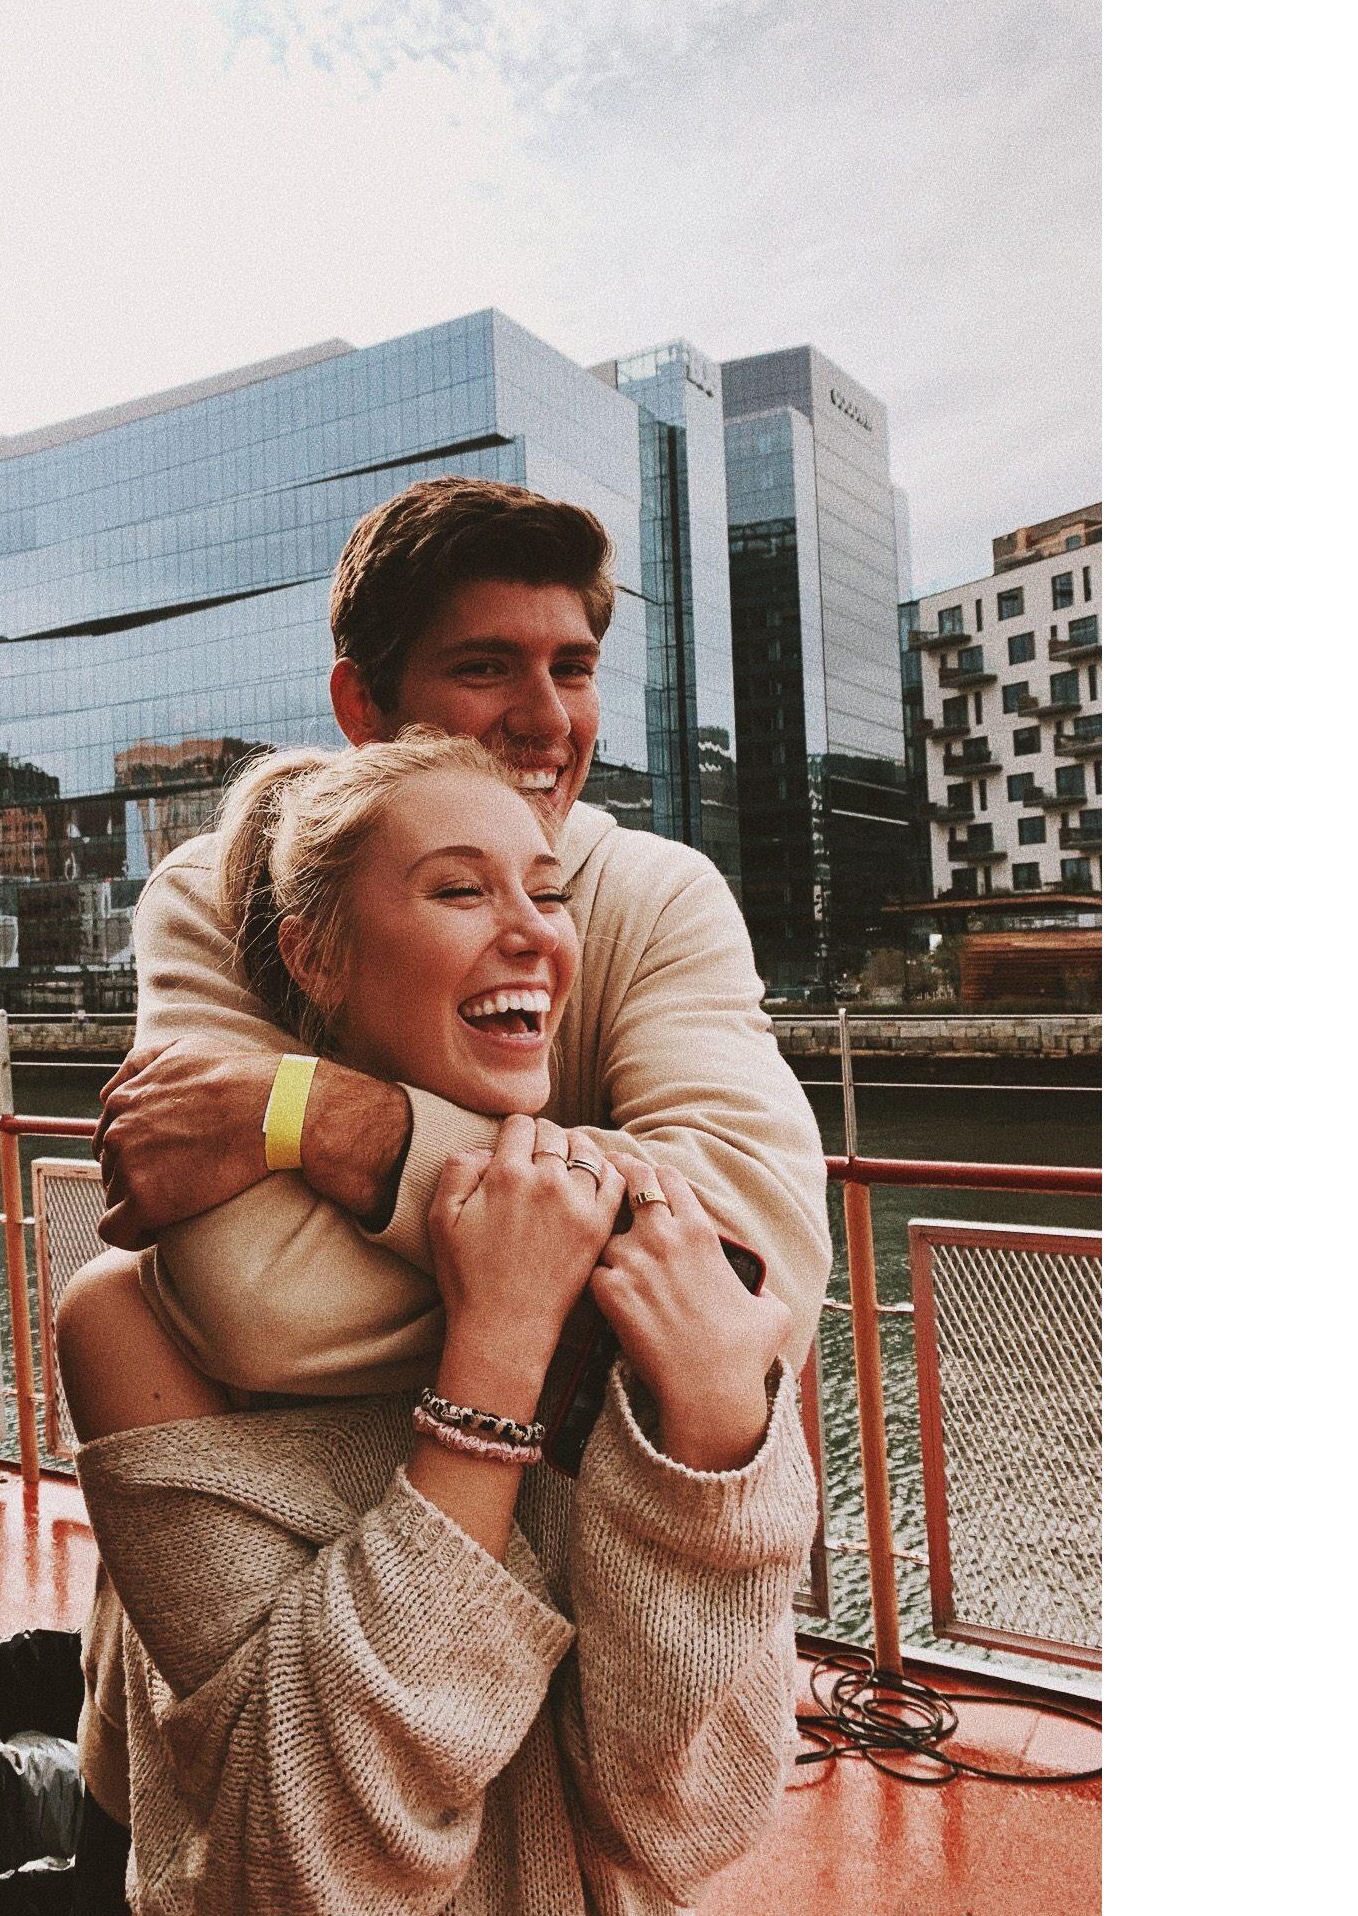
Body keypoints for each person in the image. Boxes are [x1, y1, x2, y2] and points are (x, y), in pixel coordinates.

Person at [56, 730, 817, 1914]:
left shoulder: (631, 1215)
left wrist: (717, 1436)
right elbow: (300, 1853)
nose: (530, 931)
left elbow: (680, 1817)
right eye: (459, 889)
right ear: (312, 953)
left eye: (546, 890)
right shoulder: (128, 1323)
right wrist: (495, 1355)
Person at [89, 475, 831, 1395]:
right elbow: (267, 1307)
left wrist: (332, 1122)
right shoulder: (227, 890)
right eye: (485, 667)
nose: (550, 721)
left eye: (573, 668)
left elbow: (763, 1260)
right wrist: (630, 1298)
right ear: (362, 706)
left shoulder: (660, 894)